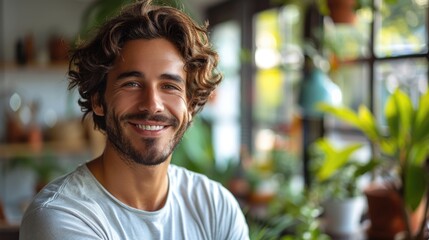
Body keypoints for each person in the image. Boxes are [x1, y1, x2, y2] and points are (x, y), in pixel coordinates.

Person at [19, 0, 249, 239]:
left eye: (169, 86)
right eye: (132, 84)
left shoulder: (216, 206)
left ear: (190, 105)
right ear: (98, 100)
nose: (152, 104)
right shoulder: (61, 216)